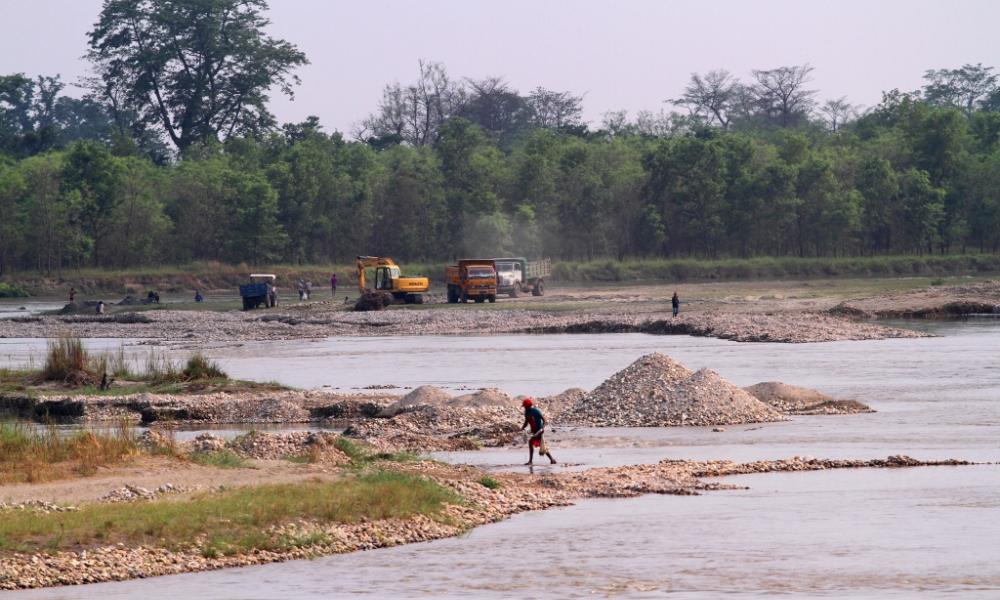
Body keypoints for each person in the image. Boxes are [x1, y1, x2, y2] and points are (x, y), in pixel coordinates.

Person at [520, 398, 557, 465]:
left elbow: (544, 420)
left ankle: (530, 461)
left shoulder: (536, 411)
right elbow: (526, 422)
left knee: (531, 442)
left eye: (525, 406)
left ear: (528, 406)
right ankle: (552, 460)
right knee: (541, 445)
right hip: (534, 431)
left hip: (539, 431)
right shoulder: (526, 413)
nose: (524, 407)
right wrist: (522, 428)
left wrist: (542, 428)